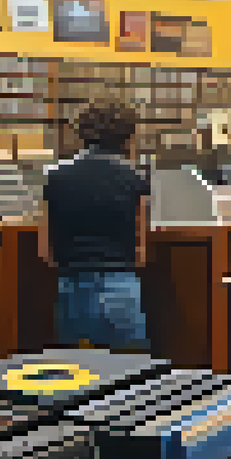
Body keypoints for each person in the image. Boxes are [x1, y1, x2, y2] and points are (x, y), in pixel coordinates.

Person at [44, 102, 152, 352]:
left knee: (79, 369)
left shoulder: (56, 177)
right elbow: (140, 252)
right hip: (120, 286)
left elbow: (45, 252)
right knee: (129, 367)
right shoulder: (134, 179)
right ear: (127, 137)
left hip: (71, 288)